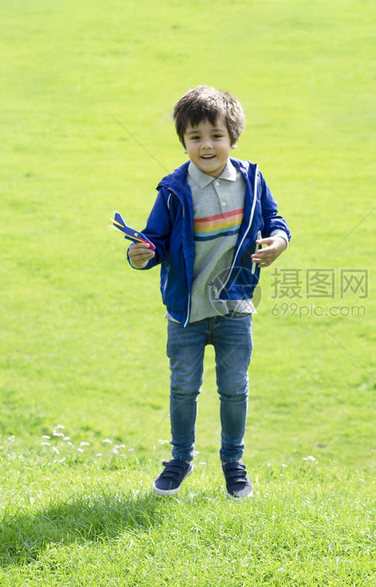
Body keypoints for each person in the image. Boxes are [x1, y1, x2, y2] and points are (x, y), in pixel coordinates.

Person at [127, 85, 290, 499]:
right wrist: (141, 254)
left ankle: (234, 464)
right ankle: (179, 460)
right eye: (195, 137)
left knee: (234, 388)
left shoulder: (251, 178)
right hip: (186, 311)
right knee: (184, 387)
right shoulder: (173, 189)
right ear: (183, 142)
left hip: (235, 306)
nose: (206, 145)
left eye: (215, 136)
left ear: (232, 139)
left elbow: (274, 219)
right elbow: (154, 241)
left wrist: (279, 242)